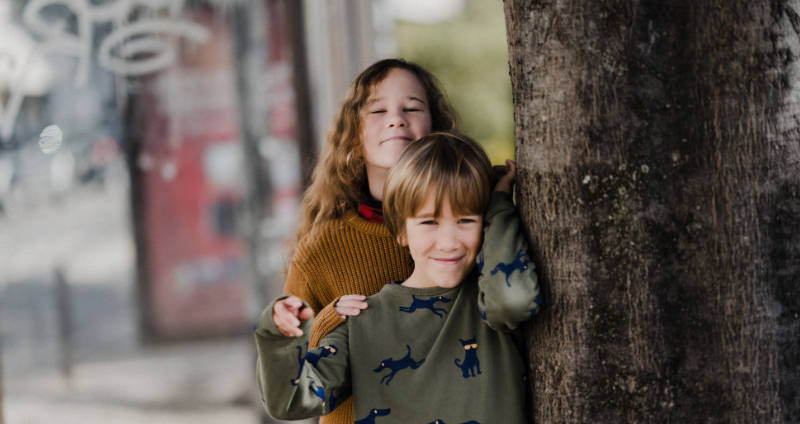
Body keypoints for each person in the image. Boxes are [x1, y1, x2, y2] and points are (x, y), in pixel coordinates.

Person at [254, 132, 541, 423]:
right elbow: (291, 402)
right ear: (401, 230)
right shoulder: (361, 323)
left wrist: (500, 205)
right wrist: (277, 334)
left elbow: (514, 300)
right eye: (429, 222)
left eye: (466, 220)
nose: (449, 241)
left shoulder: (488, 301)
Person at [261, 58, 457, 424]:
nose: (396, 119)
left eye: (412, 108)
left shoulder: (468, 225)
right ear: (354, 134)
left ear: (437, 126)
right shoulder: (322, 248)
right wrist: (327, 321)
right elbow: (293, 379)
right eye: (378, 110)